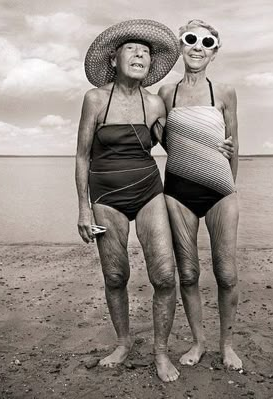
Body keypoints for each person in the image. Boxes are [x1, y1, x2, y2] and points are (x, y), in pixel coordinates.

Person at [75, 19, 181, 382]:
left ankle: (161, 353)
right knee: (116, 274)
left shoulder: (153, 104)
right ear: (114, 58)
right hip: (106, 195)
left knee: (165, 276)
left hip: (149, 190)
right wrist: (83, 207)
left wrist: (217, 149)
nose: (140, 55)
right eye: (132, 49)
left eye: (147, 52)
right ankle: (122, 343)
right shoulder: (95, 99)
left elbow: (175, 148)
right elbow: (81, 156)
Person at [158, 19, 242, 370]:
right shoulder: (166, 93)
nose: (197, 46)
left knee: (226, 273)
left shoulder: (223, 92)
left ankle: (228, 345)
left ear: (214, 51)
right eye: (190, 39)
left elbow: (235, 143)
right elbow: (161, 137)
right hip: (177, 191)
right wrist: (196, 145)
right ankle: (198, 342)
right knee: (188, 273)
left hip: (220, 191)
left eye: (206, 42)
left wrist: (228, 184)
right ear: (180, 45)